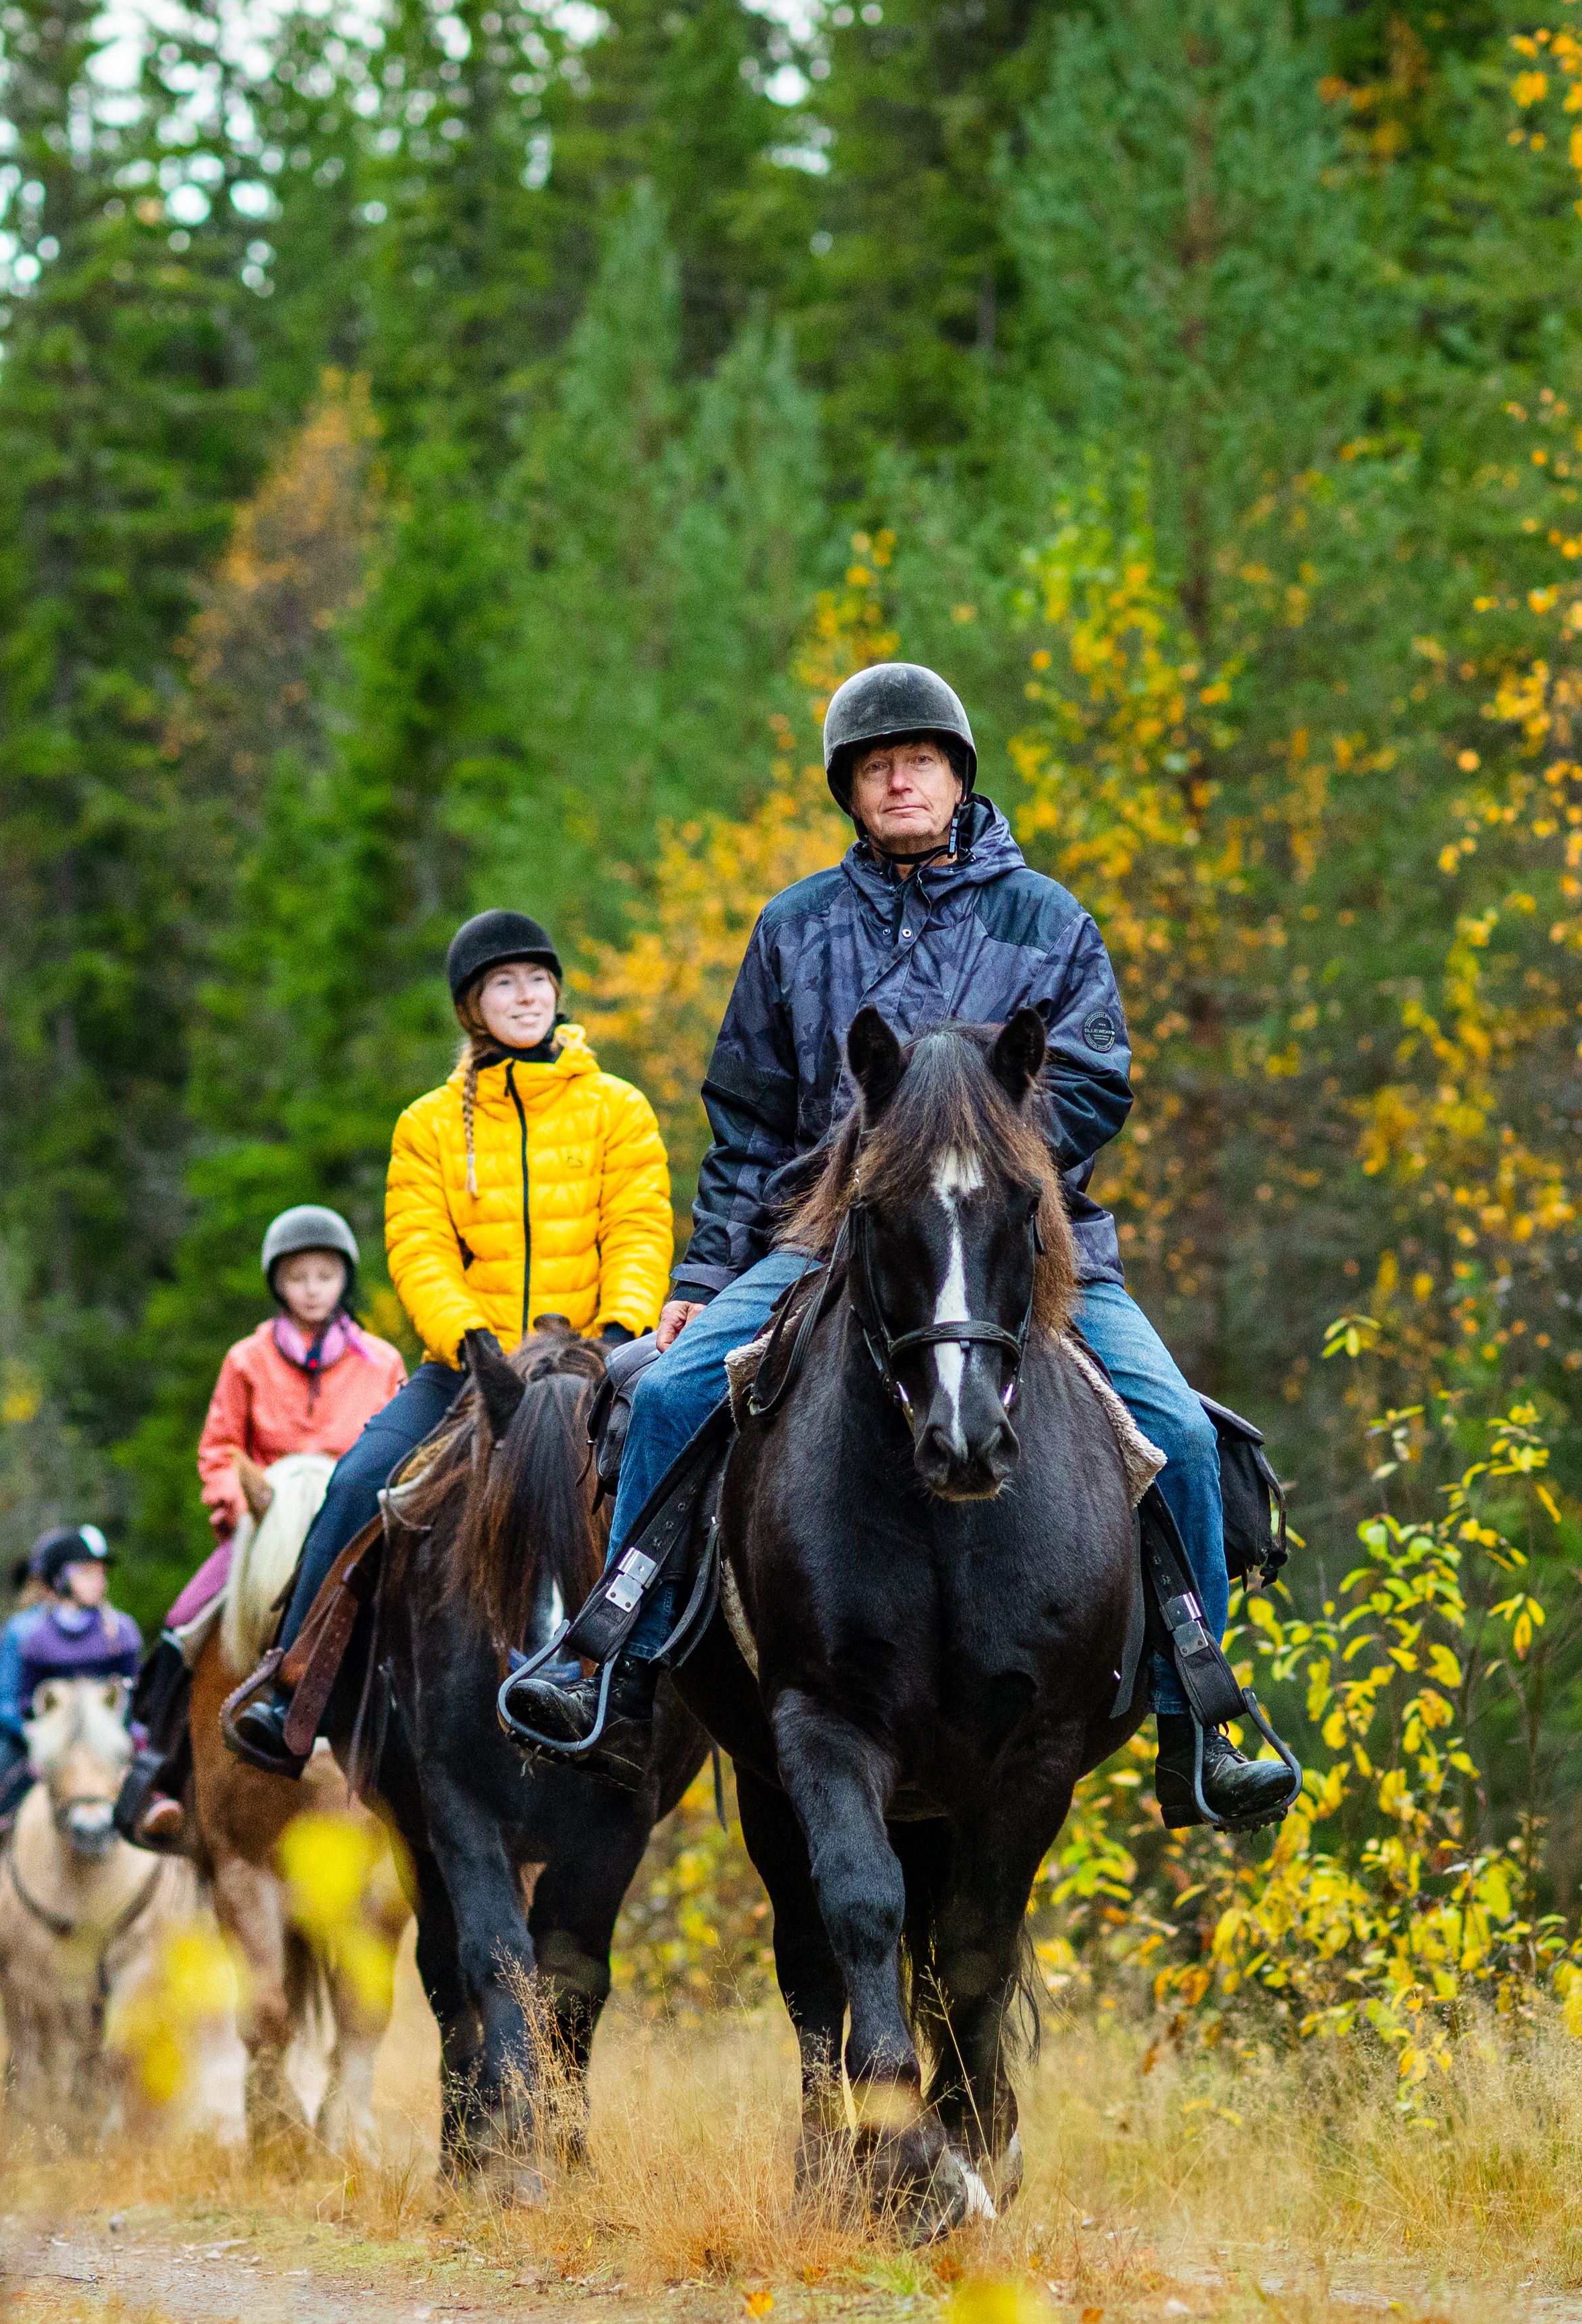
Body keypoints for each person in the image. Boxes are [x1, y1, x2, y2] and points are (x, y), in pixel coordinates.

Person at [497, 661, 1299, 1829]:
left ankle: (1201, 1718)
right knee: (664, 1392)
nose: (897, 777)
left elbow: (1093, 1078)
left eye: (916, 759)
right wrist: (700, 1281)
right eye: (874, 766)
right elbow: (747, 1119)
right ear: (848, 792)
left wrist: (963, 1158)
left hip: (1022, 1244)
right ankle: (602, 1665)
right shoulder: (791, 927)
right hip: (824, 1238)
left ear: (956, 774)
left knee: (1172, 1428)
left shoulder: (1049, 919)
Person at [223, 909, 674, 1774]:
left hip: (593, 1360)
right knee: (359, 1480)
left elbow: (641, 1223)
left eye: (537, 979)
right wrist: (468, 1340)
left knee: (689, 1483)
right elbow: (418, 1244)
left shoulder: (617, 1107)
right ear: (473, 1007)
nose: (525, 995)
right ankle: (296, 1683)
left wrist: (620, 1331)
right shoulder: (429, 1124)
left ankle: (673, 1687)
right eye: (503, 983)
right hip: (473, 1368)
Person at [109, 1206, 405, 1846]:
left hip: (350, 1522)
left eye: (324, 1275)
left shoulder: (381, 1362)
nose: (312, 1288)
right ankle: (158, 1772)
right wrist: (240, 1507)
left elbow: (403, 1446)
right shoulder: (247, 1359)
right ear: (278, 1283)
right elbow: (218, 1450)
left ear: (343, 1280)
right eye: (298, 1276)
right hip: (265, 1520)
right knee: (185, 1622)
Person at [0, 1524, 143, 1952]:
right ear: (60, 1579)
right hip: (33, 1743)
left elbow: (136, 1693)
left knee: (171, 1783)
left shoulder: (121, 1631)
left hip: (107, 1744)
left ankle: (198, 1891)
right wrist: (45, 1741)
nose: (100, 1578)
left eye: (100, 1570)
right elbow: (6, 1703)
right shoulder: (25, 1634)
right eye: (87, 1570)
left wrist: (130, 1737)